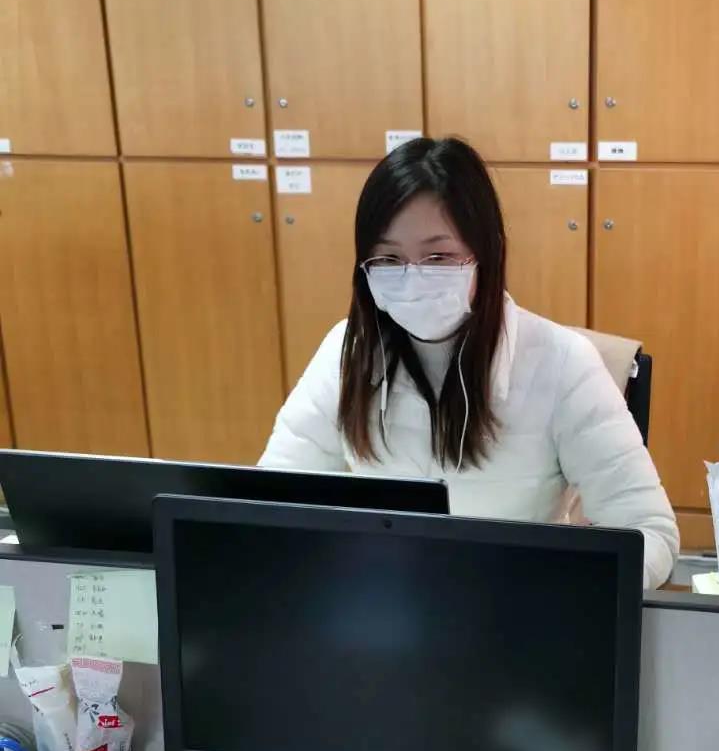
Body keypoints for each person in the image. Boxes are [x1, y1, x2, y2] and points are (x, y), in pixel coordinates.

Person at [260, 136, 679, 588]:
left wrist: (556, 593)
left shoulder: (562, 363)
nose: (412, 277)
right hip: (384, 605)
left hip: (514, 609)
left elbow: (650, 533)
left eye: (438, 256)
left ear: (486, 253)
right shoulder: (348, 353)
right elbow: (267, 510)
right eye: (389, 259)